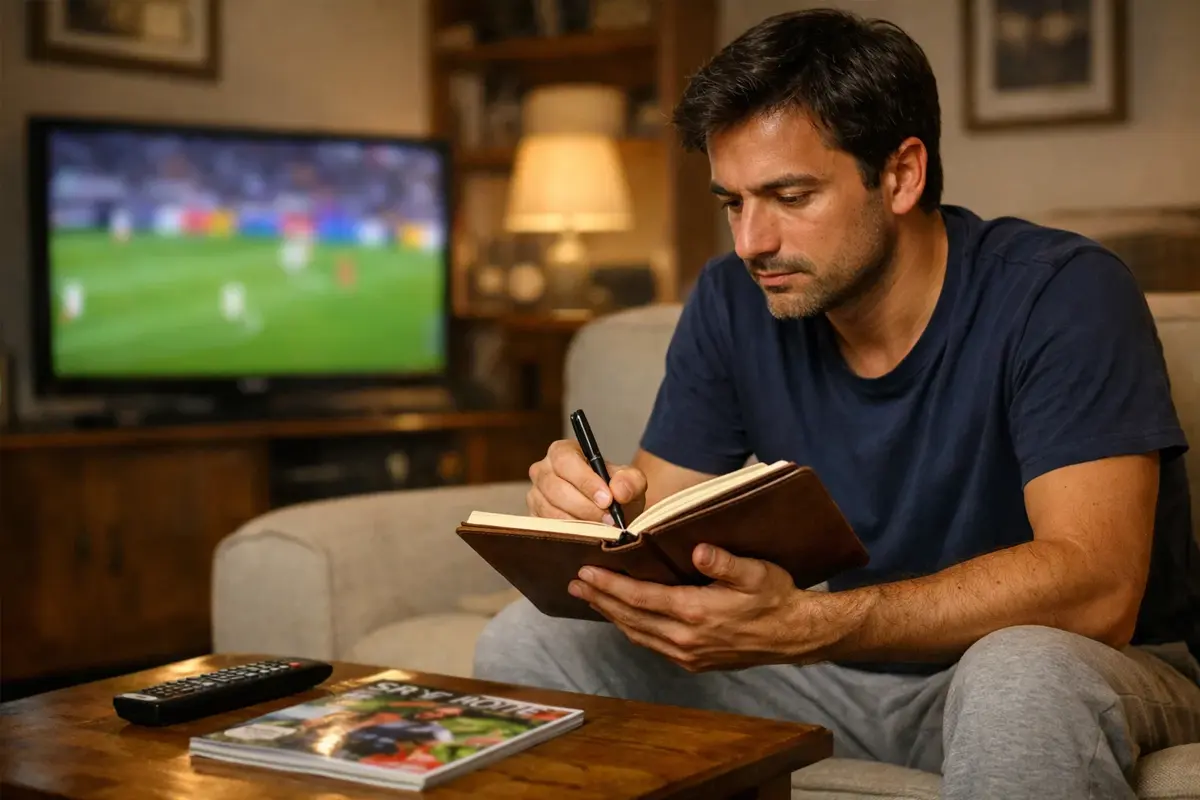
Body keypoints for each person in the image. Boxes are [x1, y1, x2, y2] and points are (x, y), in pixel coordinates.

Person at [471, 8, 1200, 799]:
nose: (750, 242)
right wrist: (592, 513)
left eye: (790, 196)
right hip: (840, 674)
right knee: (532, 640)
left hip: (1077, 668)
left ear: (901, 175)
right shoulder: (733, 300)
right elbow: (656, 521)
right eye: (732, 203)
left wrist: (814, 623)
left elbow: (1098, 588)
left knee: (1019, 671)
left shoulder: (1063, 293)